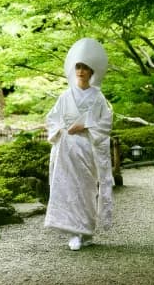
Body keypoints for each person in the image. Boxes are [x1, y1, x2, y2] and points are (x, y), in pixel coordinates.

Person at [44, 38, 114, 251]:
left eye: (85, 67)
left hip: (87, 148)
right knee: (68, 189)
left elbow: (106, 122)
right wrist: (60, 131)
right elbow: (52, 119)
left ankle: (87, 230)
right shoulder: (65, 96)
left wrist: (85, 125)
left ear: (92, 72)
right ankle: (75, 233)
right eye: (78, 67)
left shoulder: (98, 97)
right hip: (66, 149)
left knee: (86, 189)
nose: (81, 71)